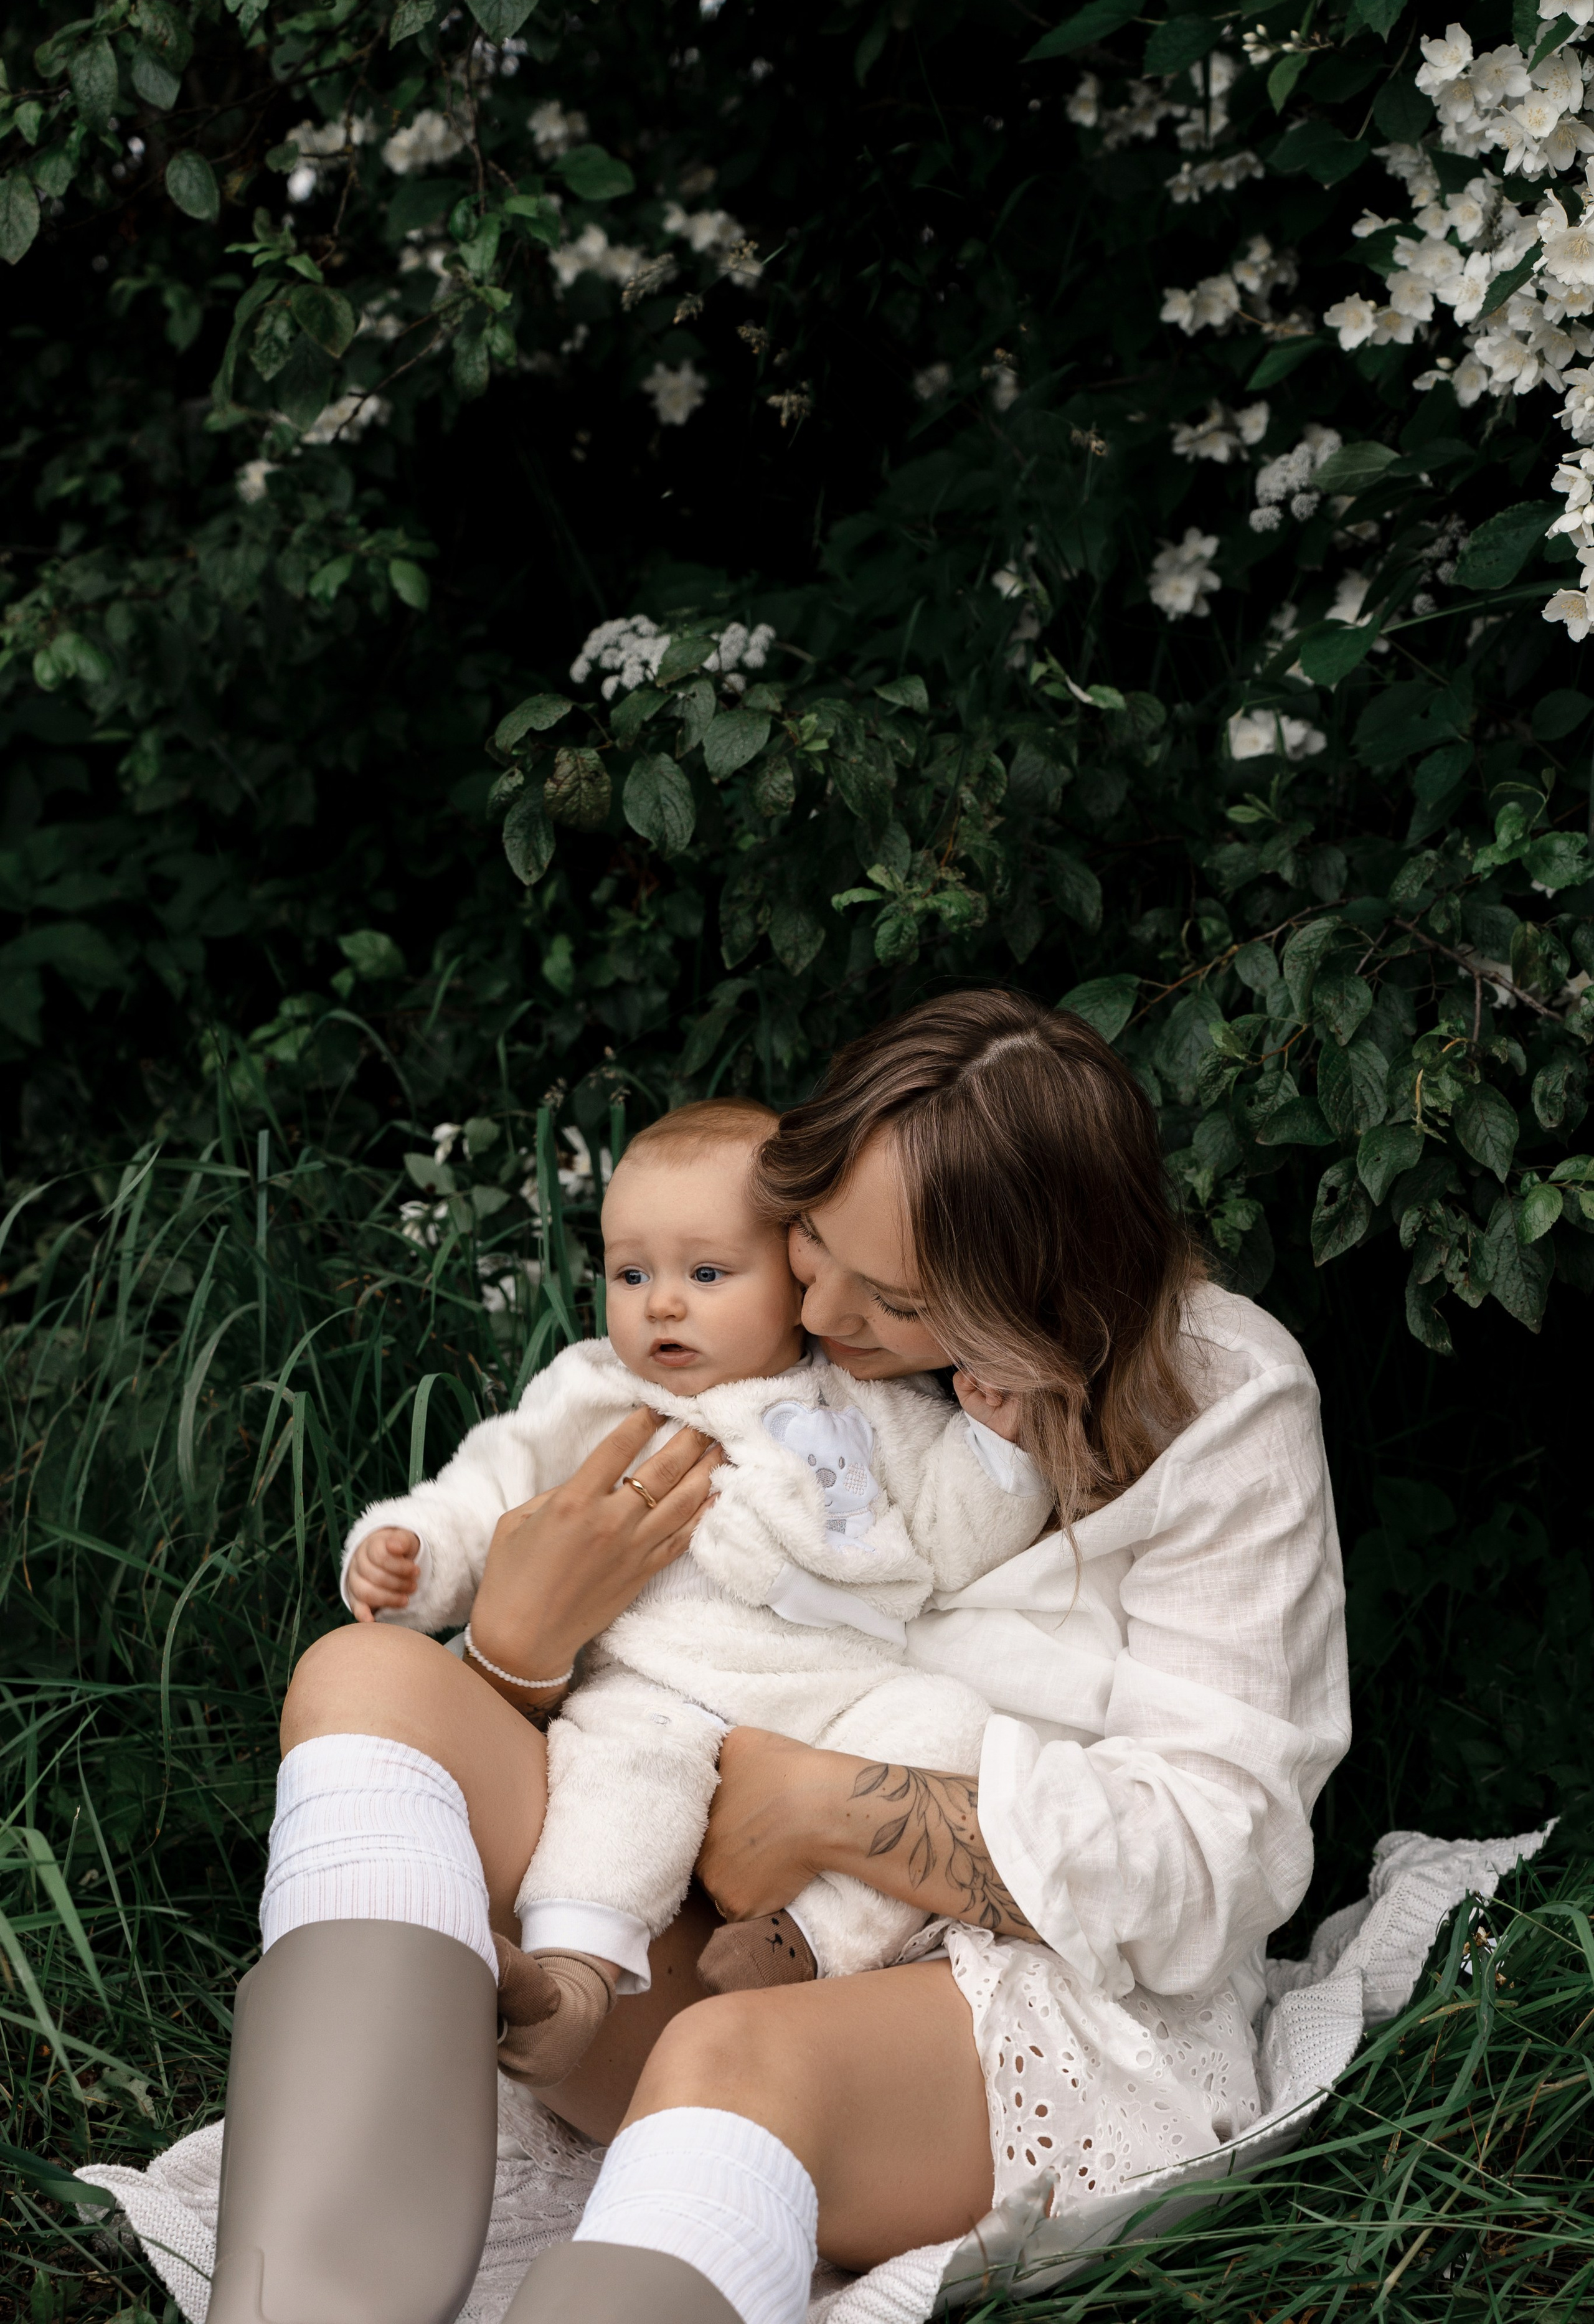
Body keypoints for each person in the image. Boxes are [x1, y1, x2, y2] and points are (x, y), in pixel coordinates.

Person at [207, 989, 1349, 2324]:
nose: (820, 1305)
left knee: (730, 2055)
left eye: (896, 1299)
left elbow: (1220, 1859)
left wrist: (822, 1808)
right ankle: (299, 2306)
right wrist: (516, 1651)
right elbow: (662, 1658)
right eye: (810, 1242)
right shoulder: (747, 1343)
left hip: (1002, 1987)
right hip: (678, 1884)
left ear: (1039, 1302)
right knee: (362, 1681)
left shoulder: (1219, 1401)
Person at [336, 1096, 1051, 2088]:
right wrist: (413, 1550)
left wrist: (998, 1442)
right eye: (632, 1275)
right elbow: (493, 1489)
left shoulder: (868, 1405)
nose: (663, 1304)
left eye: (707, 1274)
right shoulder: (592, 1393)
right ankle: (573, 1978)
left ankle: (812, 1939)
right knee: (617, 1776)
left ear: (797, 1282)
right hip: (659, 1682)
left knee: (947, 1725)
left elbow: (955, 1535)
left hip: (837, 1691)